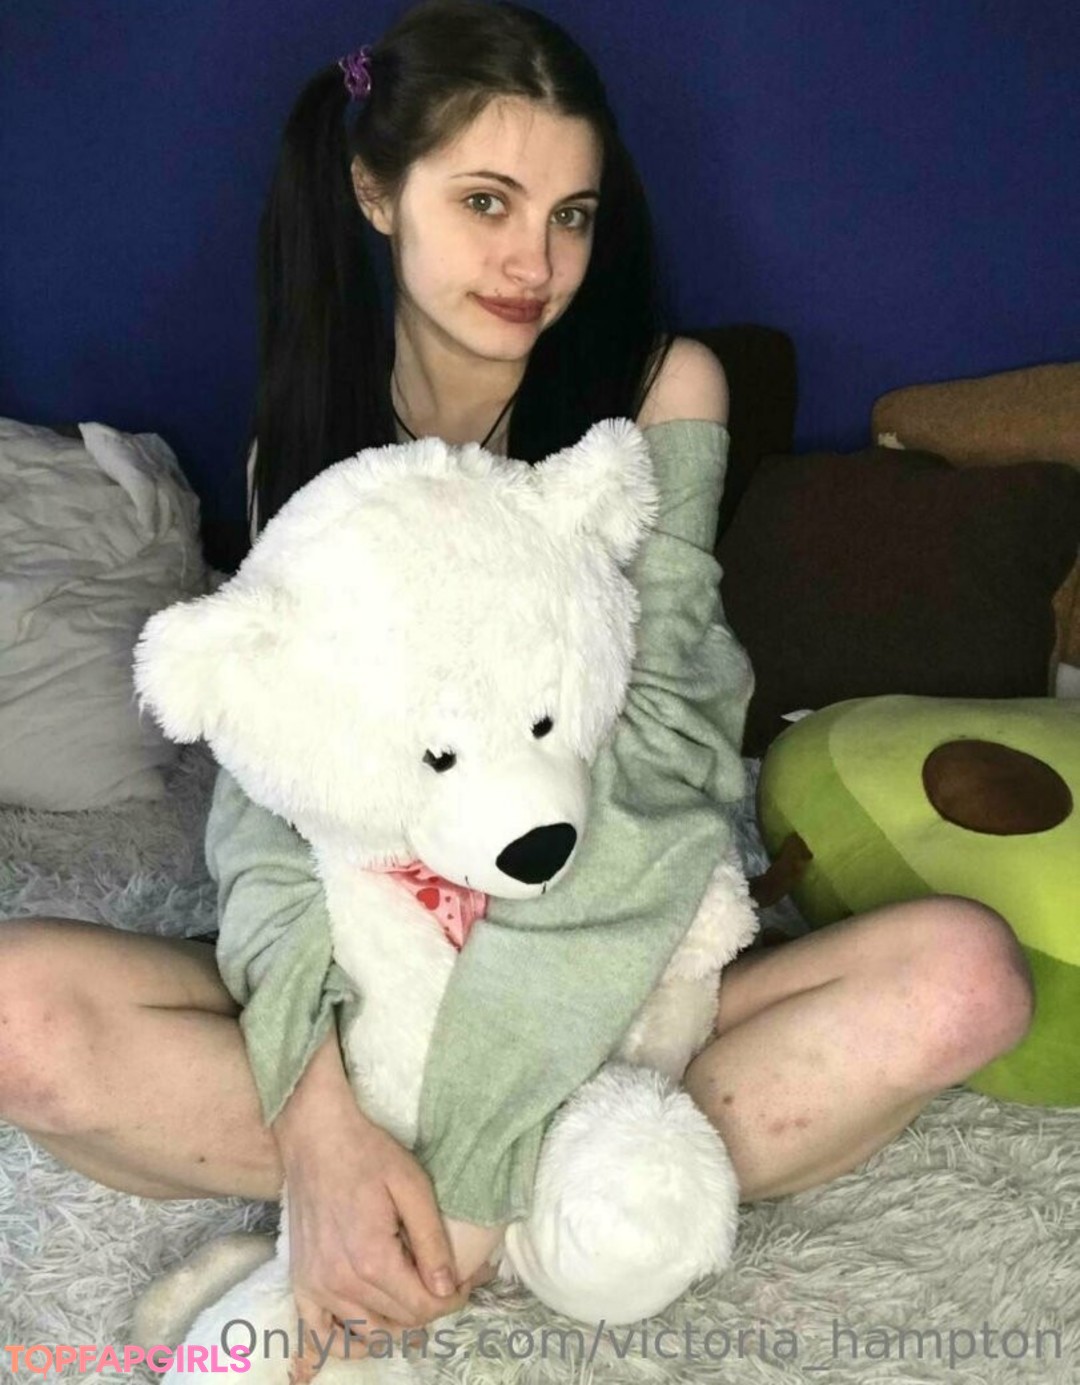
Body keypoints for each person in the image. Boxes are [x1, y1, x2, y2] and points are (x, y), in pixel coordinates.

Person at [0, 0, 1034, 1363]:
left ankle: (445, 1211)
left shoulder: (660, 391)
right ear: (376, 192)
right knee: (18, 1011)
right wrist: (316, 1116)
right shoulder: (305, 435)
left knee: (967, 981)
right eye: (486, 201)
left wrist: (479, 1141)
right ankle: (504, 1200)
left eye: (572, 215)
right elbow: (274, 790)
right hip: (388, 948)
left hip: (612, 945)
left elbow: (666, 753)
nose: (535, 261)